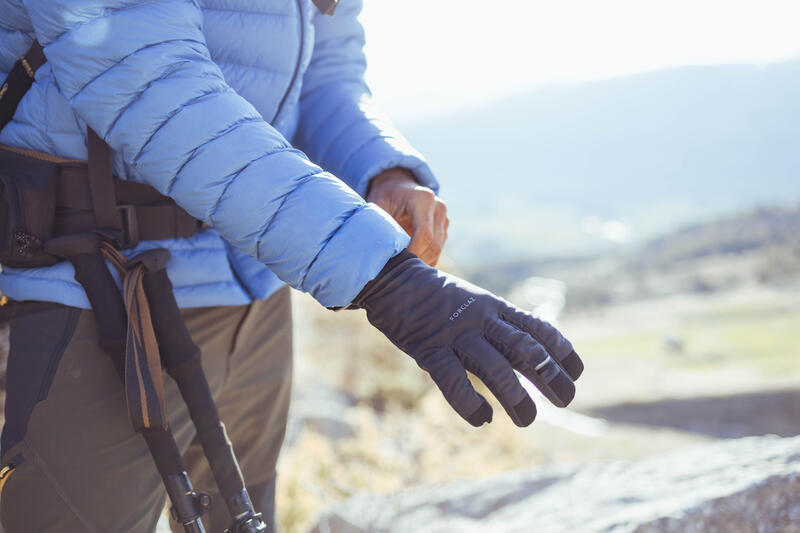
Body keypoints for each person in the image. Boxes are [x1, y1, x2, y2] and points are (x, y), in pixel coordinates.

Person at [0, 0, 583, 531]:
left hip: (249, 290)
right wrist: (380, 273)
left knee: (244, 519)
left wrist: (382, 171)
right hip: (82, 294)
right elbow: (150, 82)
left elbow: (324, 73)